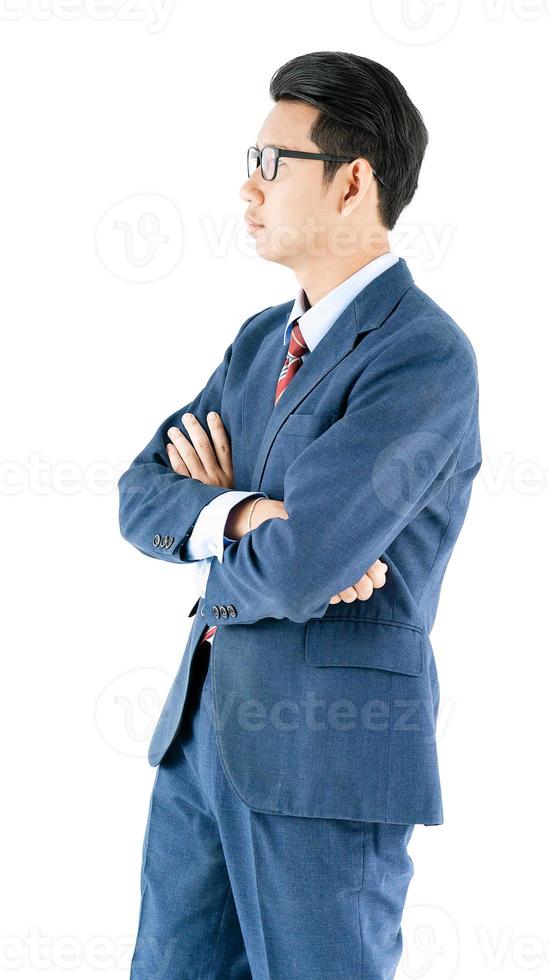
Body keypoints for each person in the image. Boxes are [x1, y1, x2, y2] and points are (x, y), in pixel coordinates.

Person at [119, 49, 482, 980]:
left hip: (327, 752)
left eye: (273, 162)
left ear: (353, 180)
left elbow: (303, 562)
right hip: (202, 737)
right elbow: (139, 494)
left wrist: (290, 541)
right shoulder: (257, 343)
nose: (249, 186)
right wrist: (244, 512)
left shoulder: (422, 356)